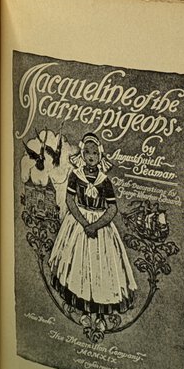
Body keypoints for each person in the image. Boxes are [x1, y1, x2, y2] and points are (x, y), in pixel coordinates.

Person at [48, 133, 137, 333]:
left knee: (101, 269)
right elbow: (70, 201)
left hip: (100, 228)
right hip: (78, 225)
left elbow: (112, 208)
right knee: (79, 267)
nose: (90, 156)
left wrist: (95, 225)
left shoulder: (104, 181)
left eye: (95, 153)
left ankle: (101, 316)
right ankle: (85, 311)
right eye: (87, 152)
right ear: (82, 153)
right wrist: (83, 223)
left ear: (100, 155)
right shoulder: (75, 176)